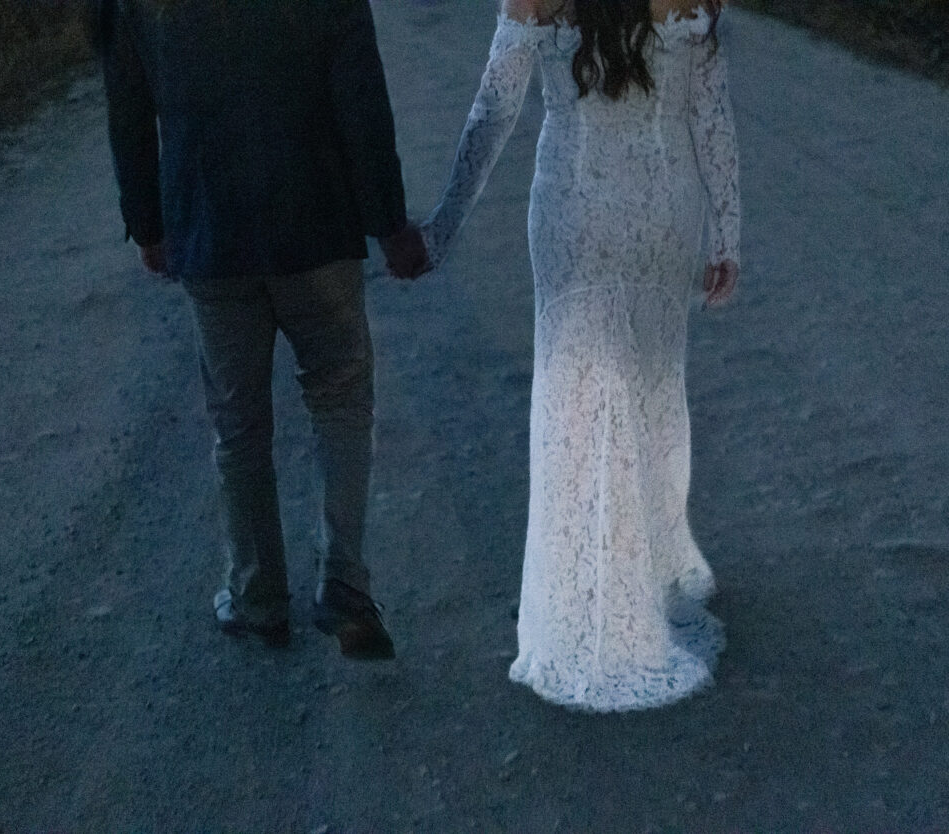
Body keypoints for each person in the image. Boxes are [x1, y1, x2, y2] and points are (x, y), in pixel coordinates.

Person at [416, 0, 740, 709]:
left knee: (576, 404)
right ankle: (643, 582)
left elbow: (494, 109)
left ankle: (586, 601)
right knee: (654, 392)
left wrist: (444, 224)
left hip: (574, 212)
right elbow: (709, 115)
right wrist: (727, 230)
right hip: (665, 213)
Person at [96, 0, 429, 659]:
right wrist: (389, 222)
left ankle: (257, 598)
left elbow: (127, 108)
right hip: (317, 224)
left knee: (239, 426)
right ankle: (344, 582)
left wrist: (148, 224)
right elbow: (363, 100)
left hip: (210, 226)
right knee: (339, 402)